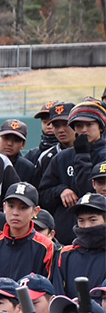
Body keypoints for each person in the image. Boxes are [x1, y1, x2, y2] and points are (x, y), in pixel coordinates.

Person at [39, 100, 106, 243]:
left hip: (99, 240)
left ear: (100, 127)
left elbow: (87, 190)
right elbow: (42, 195)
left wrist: (82, 155)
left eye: (89, 124)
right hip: (64, 239)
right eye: (79, 125)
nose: (83, 130)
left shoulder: (103, 155)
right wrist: (60, 190)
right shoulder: (62, 158)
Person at [0, 182, 55, 284]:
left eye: (23, 207)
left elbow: (50, 289)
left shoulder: (47, 248)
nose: (15, 212)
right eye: (11, 206)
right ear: (4, 207)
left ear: (35, 211)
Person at [53, 192, 106, 297]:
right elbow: (58, 293)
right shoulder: (65, 254)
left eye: (93, 220)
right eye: (81, 221)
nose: (86, 226)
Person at [32, 101, 75, 189]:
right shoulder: (45, 157)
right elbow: (41, 192)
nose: (61, 130)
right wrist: (60, 191)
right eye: (56, 125)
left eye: (66, 124)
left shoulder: (92, 152)